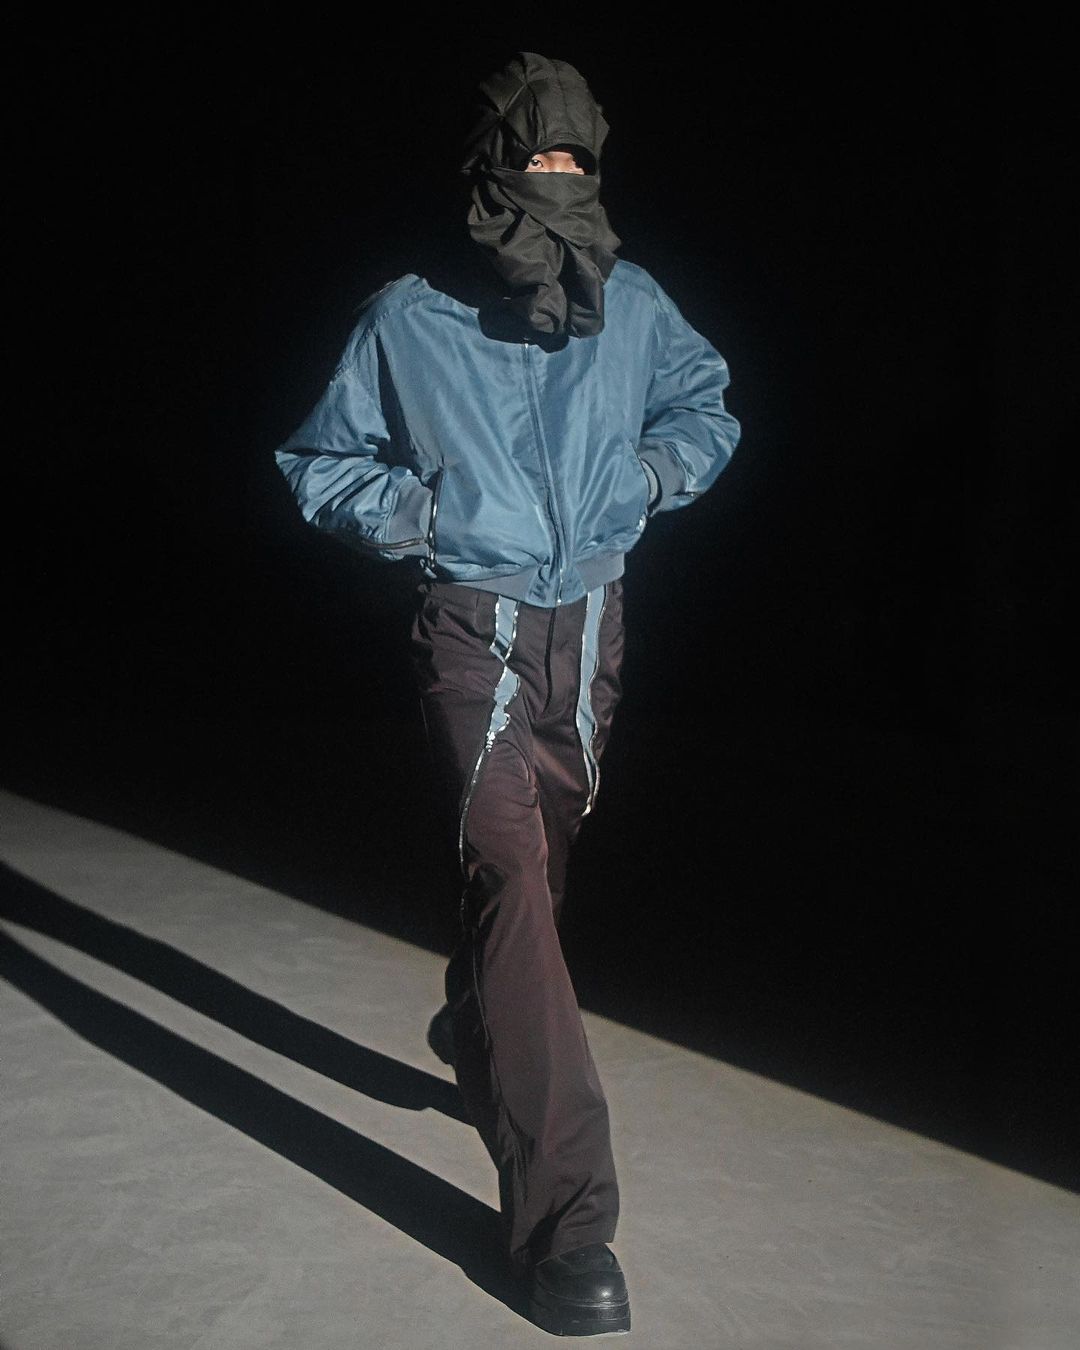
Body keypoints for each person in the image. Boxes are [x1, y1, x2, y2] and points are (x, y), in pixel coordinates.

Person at [274, 50, 741, 1338]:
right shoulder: (409, 315)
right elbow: (320, 462)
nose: (557, 180)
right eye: (534, 159)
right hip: (469, 628)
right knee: (513, 874)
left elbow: (706, 408)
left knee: (542, 870)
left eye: (577, 161)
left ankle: (483, 1024)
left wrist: (646, 480)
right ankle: (566, 1227)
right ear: (487, 172)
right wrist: (433, 516)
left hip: (589, 624)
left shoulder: (634, 304)